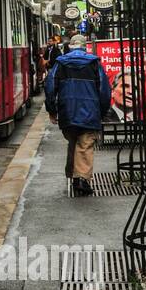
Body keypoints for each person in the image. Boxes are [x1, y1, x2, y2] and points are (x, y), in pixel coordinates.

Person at [45, 33, 112, 196]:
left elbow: (50, 87)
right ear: (84, 47)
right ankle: (82, 178)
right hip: (90, 112)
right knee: (86, 144)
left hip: (67, 112)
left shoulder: (60, 64)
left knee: (73, 142)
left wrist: (52, 110)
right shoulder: (94, 63)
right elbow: (104, 91)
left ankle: (73, 176)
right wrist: (102, 112)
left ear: (71, 46)